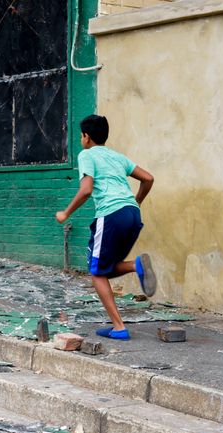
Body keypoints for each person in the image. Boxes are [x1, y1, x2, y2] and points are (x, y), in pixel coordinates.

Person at [55, 115, 156, 340]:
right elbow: (148, 179)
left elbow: (86, 190)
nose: (81, 139)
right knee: (107, 268)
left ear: (86, 137)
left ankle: (119, 327)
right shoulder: (117, 157)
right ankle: (134, 265)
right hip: (132, 214)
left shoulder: (87, 155)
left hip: (111, 215)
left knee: (96, 273)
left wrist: (66, 212)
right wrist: (135, 203)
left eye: (81, 135)